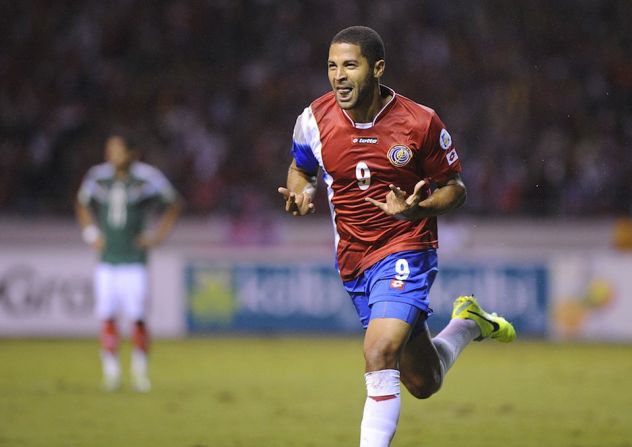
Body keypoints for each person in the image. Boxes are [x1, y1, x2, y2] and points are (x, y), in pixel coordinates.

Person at [278, 26, 516, 446]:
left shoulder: (419, 122)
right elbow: (301, 169)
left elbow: (455, 189)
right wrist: (301, 193)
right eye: (332, 66)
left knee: (379, 351)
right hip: (354, 261)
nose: (339, 76)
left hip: (406, 248)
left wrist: (417, 209)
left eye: (350, 65)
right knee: (424, 381)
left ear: (378, 68)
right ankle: (468, 324)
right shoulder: (314, 118)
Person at [75, 132, 182, 392]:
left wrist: (157, 236)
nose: (112, 155)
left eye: (118, 150)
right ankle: (111, 371)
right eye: (109, 149)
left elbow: (174, 203)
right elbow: (81, 203)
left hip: (135, 260)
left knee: (137, 317)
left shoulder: (147, 177)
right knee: (107, 315)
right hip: (107, 259)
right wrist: (90, 233)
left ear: (132, 154)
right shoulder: (98, 176)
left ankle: (139, 371)